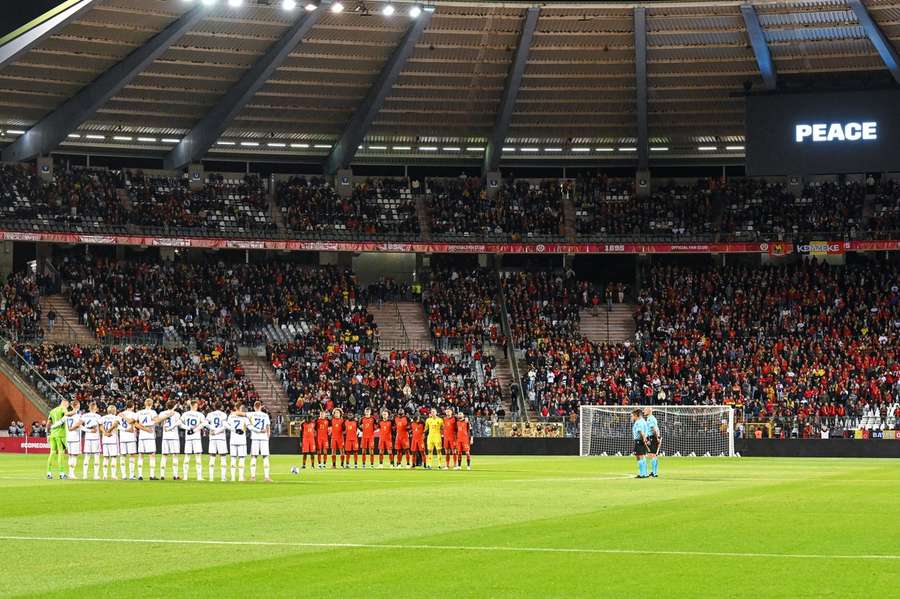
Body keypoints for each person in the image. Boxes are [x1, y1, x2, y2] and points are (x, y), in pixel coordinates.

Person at [135, 398, 169, 480]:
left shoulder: (139, 412)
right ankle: (152, 475)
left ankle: (140, 475)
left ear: (145, 404)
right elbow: (157, 420)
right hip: (150, 435)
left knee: (141, 455)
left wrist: (143, 428)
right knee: (152, 455)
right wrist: (166, 416)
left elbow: (135, 424)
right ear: (152, 404)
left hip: (142, 436)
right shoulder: (152, 412)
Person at [181, 400, 206, 481]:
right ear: (195, 406)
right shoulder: (200, 414)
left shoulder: (185, 414)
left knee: (187, 457)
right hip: (196, 437)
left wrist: (188, 428)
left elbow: (180, 424)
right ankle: (199, 477)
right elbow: (204, 424)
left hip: (188, 437)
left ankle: (185, 477)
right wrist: (194, 430)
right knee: (198, 457)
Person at [247, 401, 272, 482]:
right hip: (264, 438)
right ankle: (267, 477)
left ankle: (253, 477)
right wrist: (268, 436)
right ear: (261, 406)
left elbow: (243, 414)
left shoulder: (252, 414)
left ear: (254, 407)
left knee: (254, 456)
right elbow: (268, 427)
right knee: (265, 457)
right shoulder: (265, 415)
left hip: (255, 438)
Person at [45, 398, 70, 480]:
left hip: (52, 434)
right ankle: (61, 474)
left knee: (52, 453)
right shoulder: (63, 408)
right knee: (60, 453)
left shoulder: (52, 411)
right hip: (60, 434)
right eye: (67, 404)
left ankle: (49, 473)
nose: (67, 406)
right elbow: (67, 415)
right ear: (64, 403)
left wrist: (48, 434)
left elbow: (48, 424)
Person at [205, 402, 229, 481]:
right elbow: (225, 426)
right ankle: (223, 478)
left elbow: (205, 424)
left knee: (212, 457)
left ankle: (211, 478)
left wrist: (213, 430)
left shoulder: (210, 414)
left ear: (214, 406)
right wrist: (217, 431)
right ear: (221, 407)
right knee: (223, 457)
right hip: (221, 438)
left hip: (212, 438)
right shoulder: (223, 414)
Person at [159, 400, 182, 480]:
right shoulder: (177, 414)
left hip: (165, 437)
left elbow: (160, 423)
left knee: (164, 456)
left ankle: (162, 475)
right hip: (174, 437)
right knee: (175, 456)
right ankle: (175, 475)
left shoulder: (162, 413)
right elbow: (179, 424)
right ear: (174, 406)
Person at [80, 402, 102, 481]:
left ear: (89, 408)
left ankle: (84, 475)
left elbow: (79, 425)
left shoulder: (84, 415)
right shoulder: (98, 416)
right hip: (95, 438)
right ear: (95, 408)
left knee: (87, 457)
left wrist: (87, 430)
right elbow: (101, 425)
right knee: (96, 457)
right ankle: (96, 475)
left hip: (87, 438)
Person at [227, 404, 249, 482]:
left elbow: (227, 425)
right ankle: (240, 477)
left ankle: (232, 478)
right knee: (241, 458)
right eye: (242, 407)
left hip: (233, 440)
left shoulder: (231, 416)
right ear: (239, 408)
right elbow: (249, 426)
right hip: (241, 440)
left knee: (233, 458)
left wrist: (233, 430)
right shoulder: (244, 417)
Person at [118, 400, 138, 480]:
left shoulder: (120, 414)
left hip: (122, 437)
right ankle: (131, 475)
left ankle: (123, 475)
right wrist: (127, 429)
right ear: (133, 406)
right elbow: (130, 421)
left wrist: (123, 429)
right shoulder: (134, 414)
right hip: (131, 437)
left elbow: (116, 425)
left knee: (123, 456)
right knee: (132, 456)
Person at [99, 406, 120, 480]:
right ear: (114, 411)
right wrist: (108, 431)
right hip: (113, 439)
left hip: (105, 440)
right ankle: (113, 475)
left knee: (106, 457)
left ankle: (105, 475)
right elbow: (114, 425)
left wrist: (104, 432)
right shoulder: (116, 417)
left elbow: (100, 426)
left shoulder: (103, 418)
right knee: (113, 457)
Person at [64, 400, 83, 479]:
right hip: (75, 437)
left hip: (69, 437)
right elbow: (78, 424)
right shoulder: (78, 415)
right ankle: (72, 474)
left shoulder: (67, 415)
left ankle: (70, 473)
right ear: (77, 405)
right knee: (74, 456)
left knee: (70, 456)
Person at [631, 408, 649, 479]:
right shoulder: (643, 421)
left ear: (636, 415)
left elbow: (641, 431)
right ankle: (645, 473)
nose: (632, 417)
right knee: (642, 456)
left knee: (640, 456)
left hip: (639, 440)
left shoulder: (638, 422)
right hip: (641, 440)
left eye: (632, 416)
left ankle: (642, 474)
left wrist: (644, 439)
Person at [643, 407, 660, 478]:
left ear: (649, 411)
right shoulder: (650, 418)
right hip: (652, 437)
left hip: (652, 437)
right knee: (652, 455)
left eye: (645, 410)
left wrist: (656, 438)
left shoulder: (650, 418)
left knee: (653, 455)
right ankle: (654, 472)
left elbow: (654, 429)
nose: (644, 411)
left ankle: (654, 473)